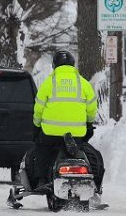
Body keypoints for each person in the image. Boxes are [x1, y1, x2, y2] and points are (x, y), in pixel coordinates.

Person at [30, 50, 101, 190]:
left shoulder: (48, 83)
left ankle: (42, 180)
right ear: (72, 65)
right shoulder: (83, 83)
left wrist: (36, 125)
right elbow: (92, 108)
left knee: (42, 149)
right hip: (76, 133)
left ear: (54, 65)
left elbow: (38, 109)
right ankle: (91, 181)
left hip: (51, 132)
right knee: (84, 152)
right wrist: (89, 123)